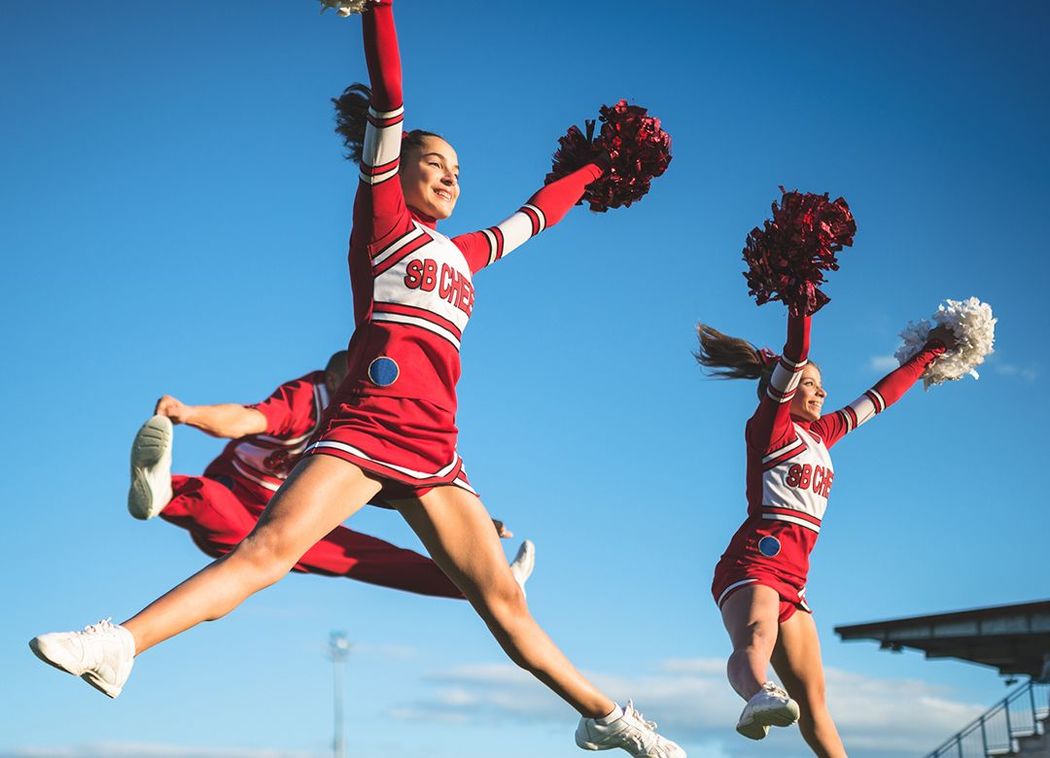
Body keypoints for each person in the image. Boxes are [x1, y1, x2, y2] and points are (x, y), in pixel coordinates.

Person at [30, 2, 684, 755]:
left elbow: (540, 211)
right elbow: (391, 94)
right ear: (395, 167)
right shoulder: (382, 226)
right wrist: (379, 8)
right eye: (431, 163)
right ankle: (120, 644)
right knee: (267, 553)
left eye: (458, 172)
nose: (448, 176)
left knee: (503, 598)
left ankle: (607, 719)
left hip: (437, 451)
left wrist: (603, 163)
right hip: (364, 429)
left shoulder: (464, 254)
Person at [699, 309, 955, 756]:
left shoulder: (822, 433)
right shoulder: (769, 429)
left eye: (821, 384)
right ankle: (757, 697)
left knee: (814, 702)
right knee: (756, 638)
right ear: (787, 385)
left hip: (795, 578)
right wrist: (800, 304)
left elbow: (881, 397)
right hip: (755, 560)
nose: (822, 390)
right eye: (811, 383)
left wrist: (930, 353)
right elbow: (796, 353)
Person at [128, 350, 533, 599]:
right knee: (212, 504)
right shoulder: (308, 399)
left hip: (290, 512)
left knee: (367, 558)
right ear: (337, 382)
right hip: (237, 495)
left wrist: (472, 520)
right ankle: (162, 492)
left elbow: (397, 485)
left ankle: (486, 583)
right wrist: (189, 414)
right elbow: (244, 420)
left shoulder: (364, 420)